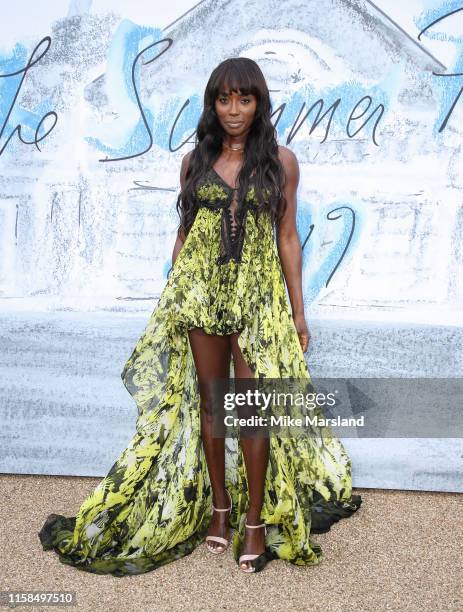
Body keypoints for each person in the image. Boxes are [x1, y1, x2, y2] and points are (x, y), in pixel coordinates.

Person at [39, 57, 361, 576]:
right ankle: (220, 509)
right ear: (212, 104)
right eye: (224, 99)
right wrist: (174, 292)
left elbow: (286, 237)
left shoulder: (282, 161)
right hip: (201, 295)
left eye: (245, 98)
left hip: (257, 298)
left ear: (260, 103)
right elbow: (185, 233)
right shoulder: (193, 162)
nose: (234, 110)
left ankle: (254, 521)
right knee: (213, 406)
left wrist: (299, 313)